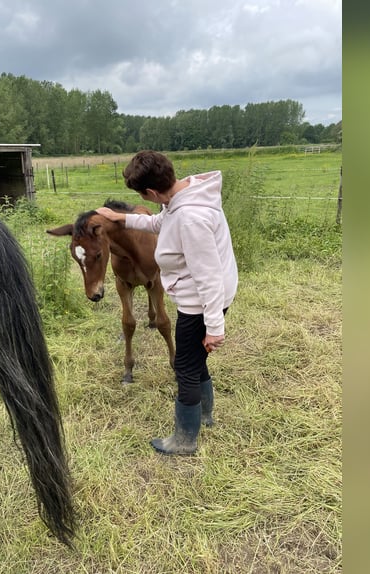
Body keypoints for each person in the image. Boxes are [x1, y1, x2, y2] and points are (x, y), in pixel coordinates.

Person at [96, 150, 238, 455]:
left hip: (200, 303)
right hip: (205, 295)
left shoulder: (190, 218)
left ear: (150, 192)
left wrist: (214, 326)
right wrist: (121, 217)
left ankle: (184, 440)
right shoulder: (185, 194)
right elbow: (160, 222)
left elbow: (209, 276)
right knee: (197, 360)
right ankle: (206, 415)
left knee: (185, 366)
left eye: (141, 196)